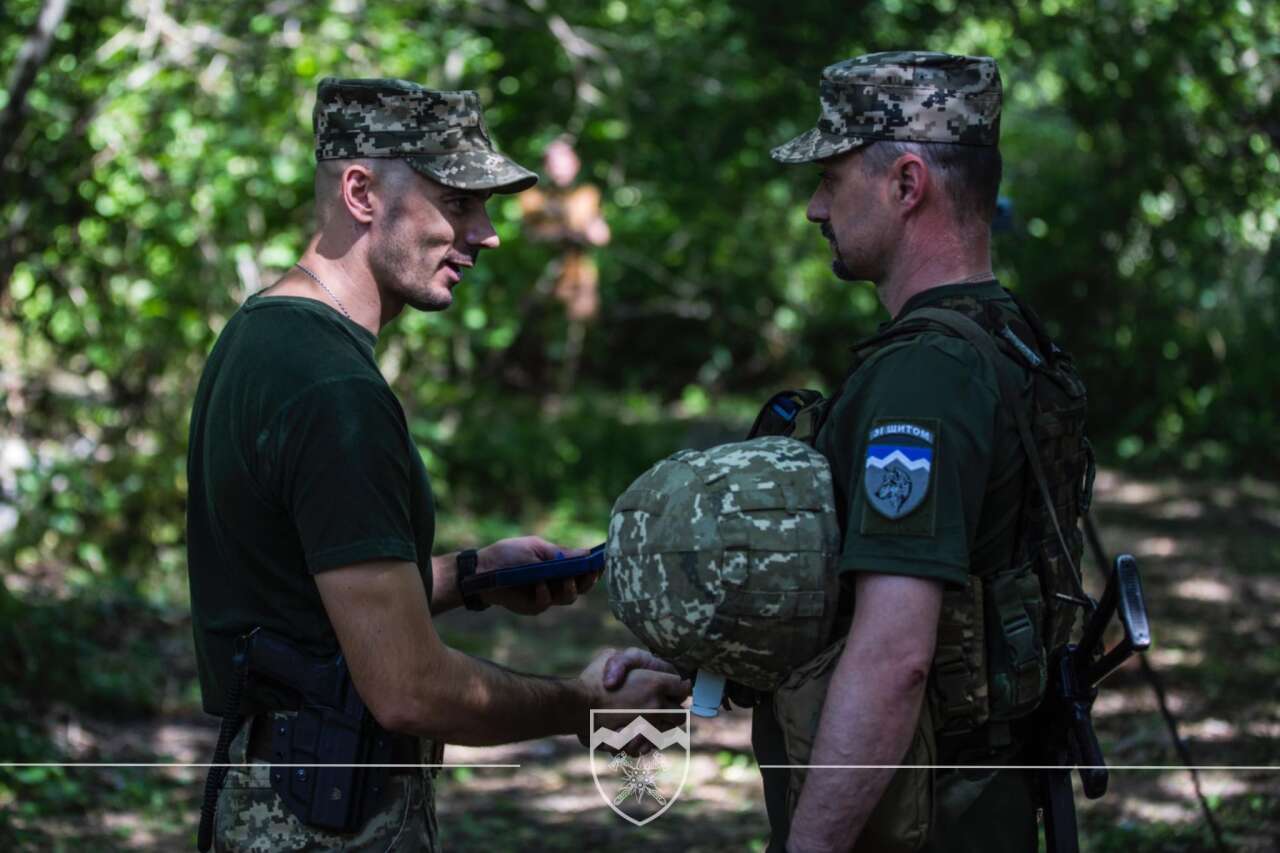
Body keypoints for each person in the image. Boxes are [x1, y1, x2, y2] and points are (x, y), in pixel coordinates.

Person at [185, 77, 688, 852]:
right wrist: (587, 705)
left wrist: (476, 573)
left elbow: (306, 599)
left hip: (273, 798)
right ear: (361, 193)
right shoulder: (334, 392)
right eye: (458, 202)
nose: (486, 234)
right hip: (322, 822)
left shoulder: (260, 336)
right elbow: (410, 690)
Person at [756, 52, 1091, 852]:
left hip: (924, 817)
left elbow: (894, 654)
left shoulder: (923, 377)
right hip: (992, 799)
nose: (812, 208)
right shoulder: (1010, 333)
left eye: (831, 181)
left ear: (908, 184)